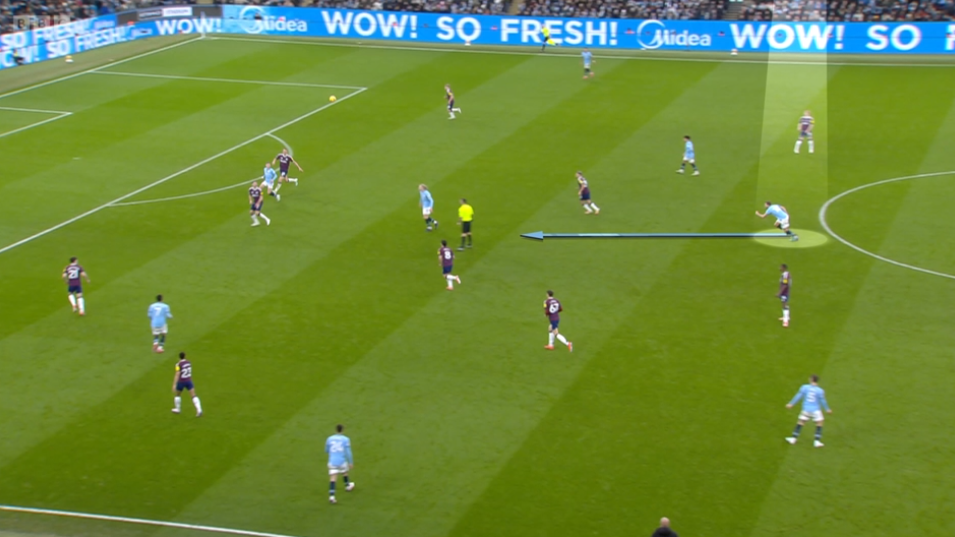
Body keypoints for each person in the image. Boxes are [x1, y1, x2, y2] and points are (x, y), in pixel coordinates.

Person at [785, 374, 832, 448]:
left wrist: (791, 404)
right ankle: (817, 441)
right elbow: (823, 400)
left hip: (806, 409)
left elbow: (799, 396)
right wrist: (827, 409)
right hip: (816, 410)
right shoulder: (820, 390)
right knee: (819, 423)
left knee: (801, 422)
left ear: (811, 379)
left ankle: (793, 439)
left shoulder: (804, 387)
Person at [326, 424, 355, 504]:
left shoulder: (329, 438)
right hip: (341, 461)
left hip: (332, 462)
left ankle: (332, 496)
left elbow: (326, 450)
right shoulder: (345, 439)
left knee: (333, 478)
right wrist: (350, 462)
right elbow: (348, 452)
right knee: (344, 471)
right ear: (342, 430)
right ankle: (348, 486)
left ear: (335, 430)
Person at [172, 352, 203, 417]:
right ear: (185, 356)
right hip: (189, 381)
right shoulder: (189, 362)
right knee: (194, 396)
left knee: (177, 395)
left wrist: (174, 384)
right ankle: (199, 410)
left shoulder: (178, 365)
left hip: (181, 382)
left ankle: (178, 409)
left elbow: (177, 374)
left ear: (179, 357)